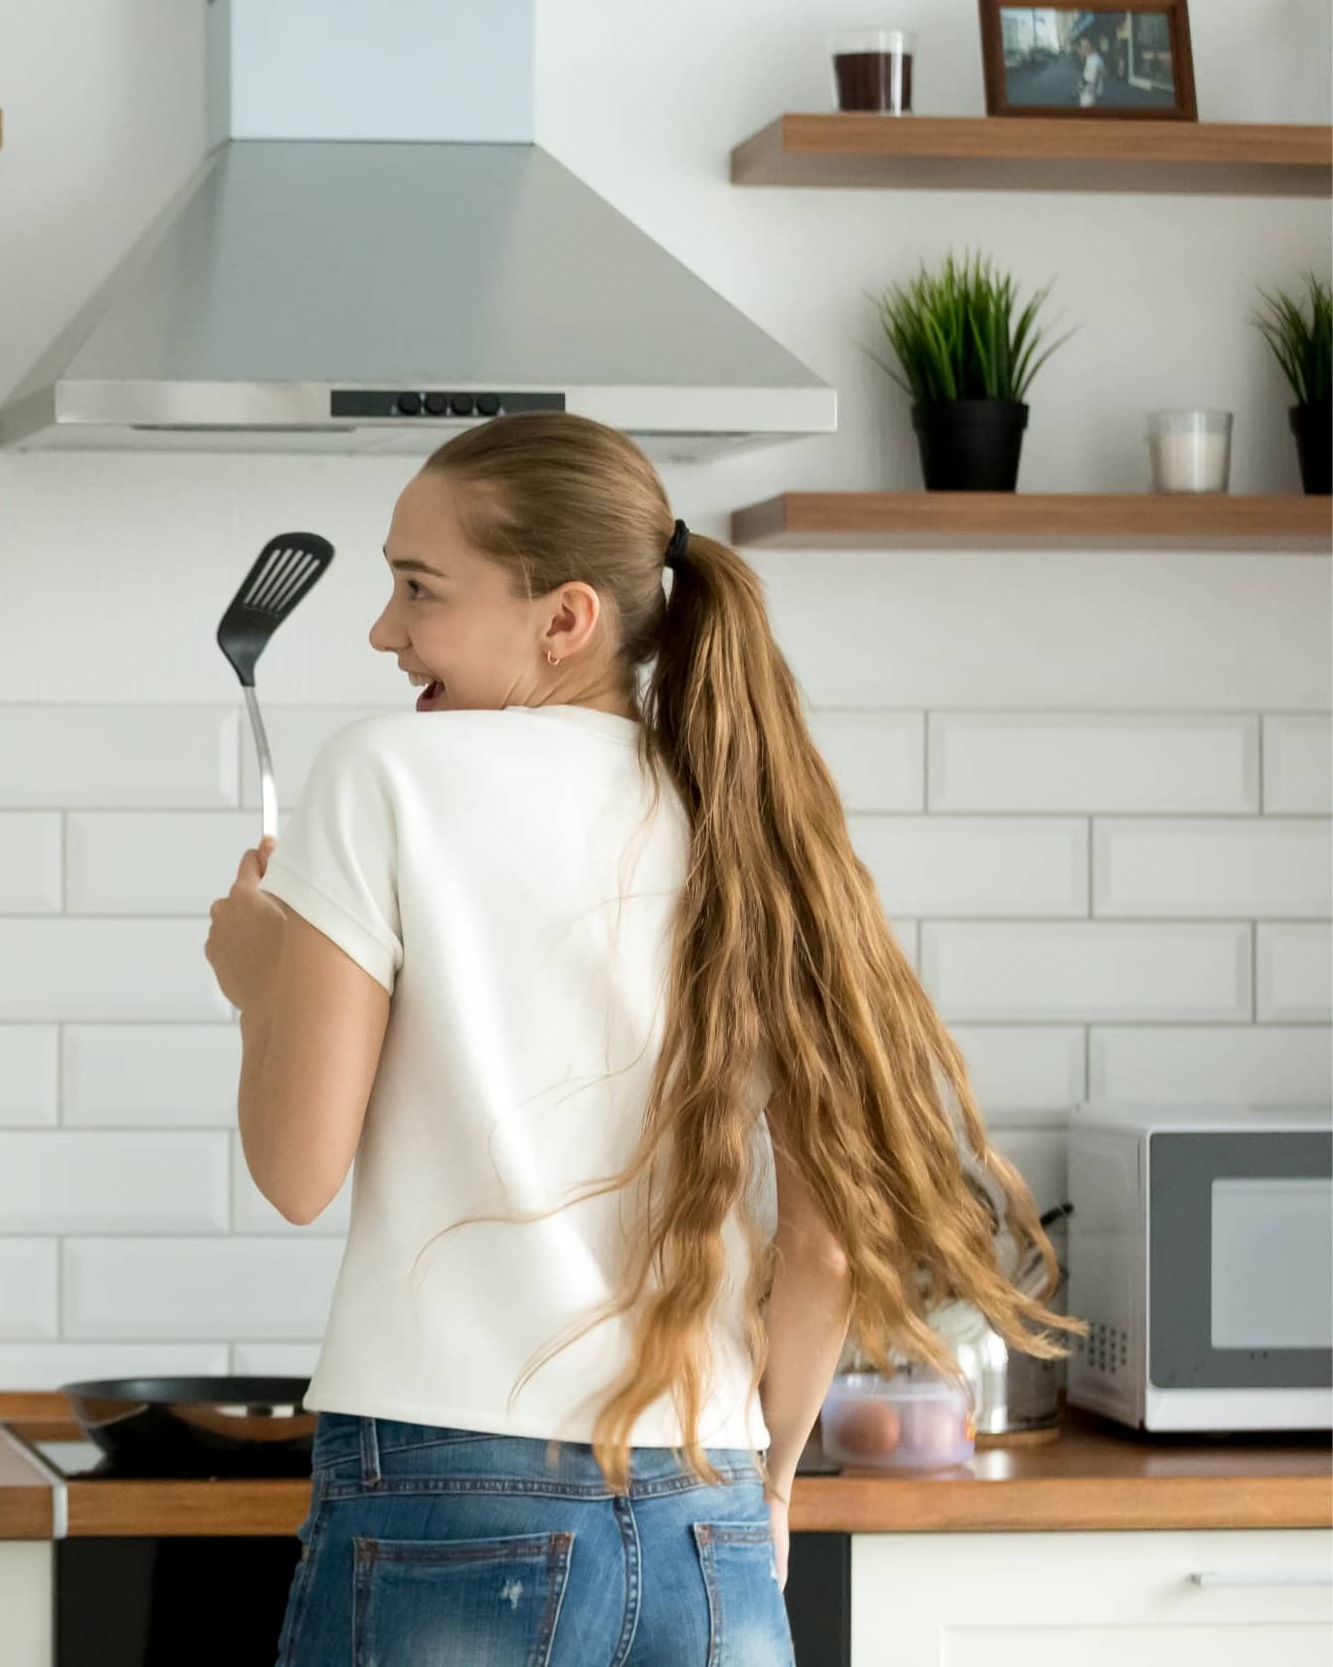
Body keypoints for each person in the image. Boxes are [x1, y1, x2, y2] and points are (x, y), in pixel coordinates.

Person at [205, 412, 1068, 1666]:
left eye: (417, 588)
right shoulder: (745, 810)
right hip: (706, 1519)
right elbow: (827, 1233)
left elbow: (295, 1170)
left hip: (448, 1497)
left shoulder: (383, 772)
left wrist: (258, 978)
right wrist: (767, 1477)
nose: (384, 629)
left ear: (564, 618)